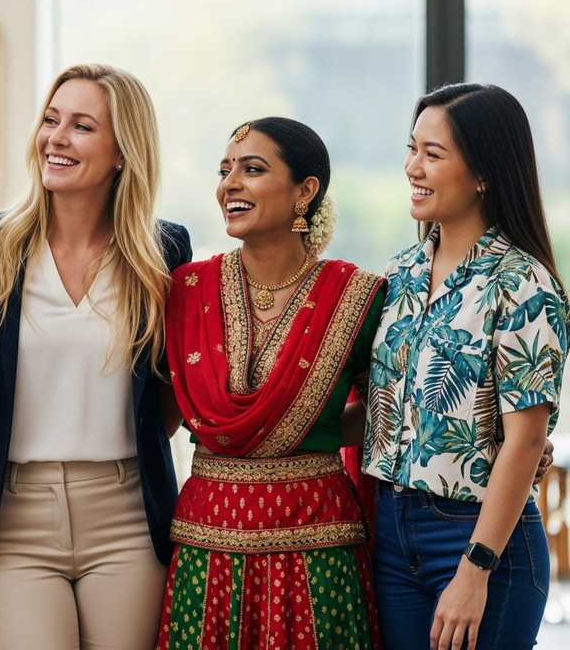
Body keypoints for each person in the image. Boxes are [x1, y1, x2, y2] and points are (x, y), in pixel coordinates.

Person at [0, 63, 192, 649]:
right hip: (11, 520)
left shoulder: (164, 250)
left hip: (128, 515)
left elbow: (170, 397)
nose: (56, 138)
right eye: (51, 120)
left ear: (121, 153)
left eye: (81, 126)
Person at [158, 117, 384, 649]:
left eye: (252, 169)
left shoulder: (358, 295)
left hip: (317, 536)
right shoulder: (185, 289)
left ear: (305, 191)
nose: (229, 183)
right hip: (207, 535)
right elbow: (159, 408)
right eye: (224, 170)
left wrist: (309, 427)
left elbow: (387, 412)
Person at [363, 82, 569, 650]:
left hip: (480, 538)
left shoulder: (524, 284)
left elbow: (525, 442)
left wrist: (475, 568)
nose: (412, 167)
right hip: (391, 528)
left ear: (482, 173)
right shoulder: (401, 271)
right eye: (412, 149)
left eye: (433, 154)